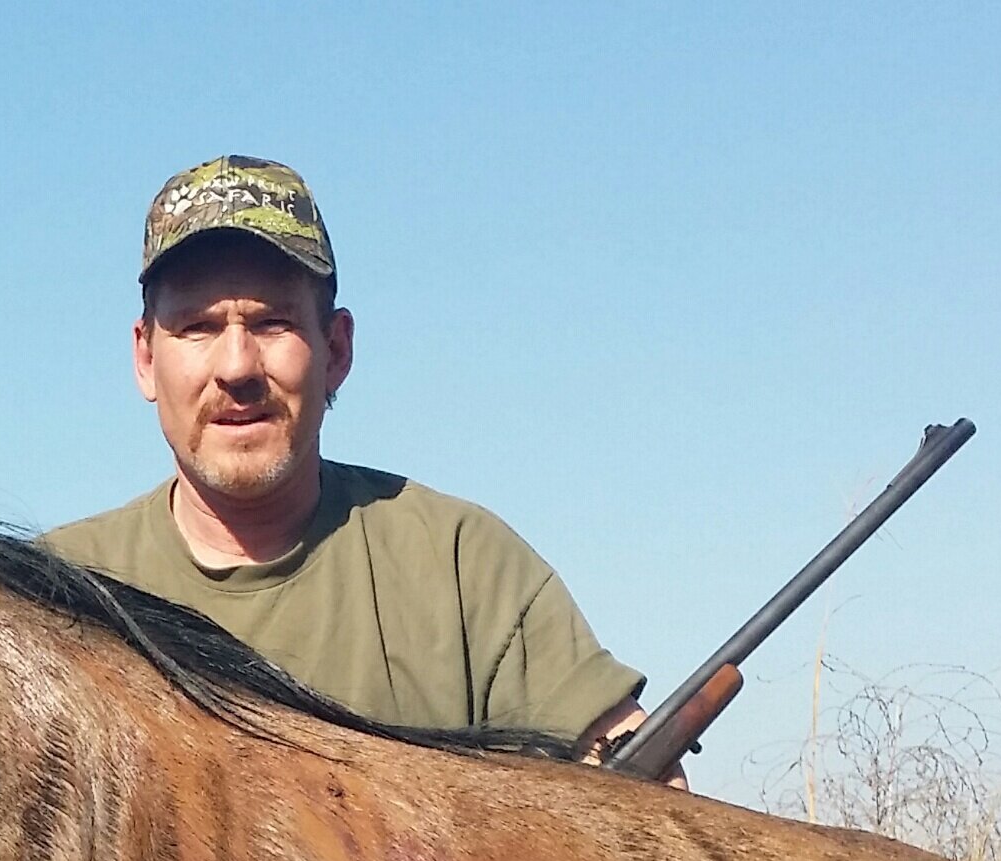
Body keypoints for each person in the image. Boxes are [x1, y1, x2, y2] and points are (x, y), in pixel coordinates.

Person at [44, 155, 653, 762]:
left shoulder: (464, 567)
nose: (236, 368)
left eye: (273, 323)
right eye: (198, 328)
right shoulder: (53, 596)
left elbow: (636, 811)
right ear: (146, 358)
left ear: (336, 349)